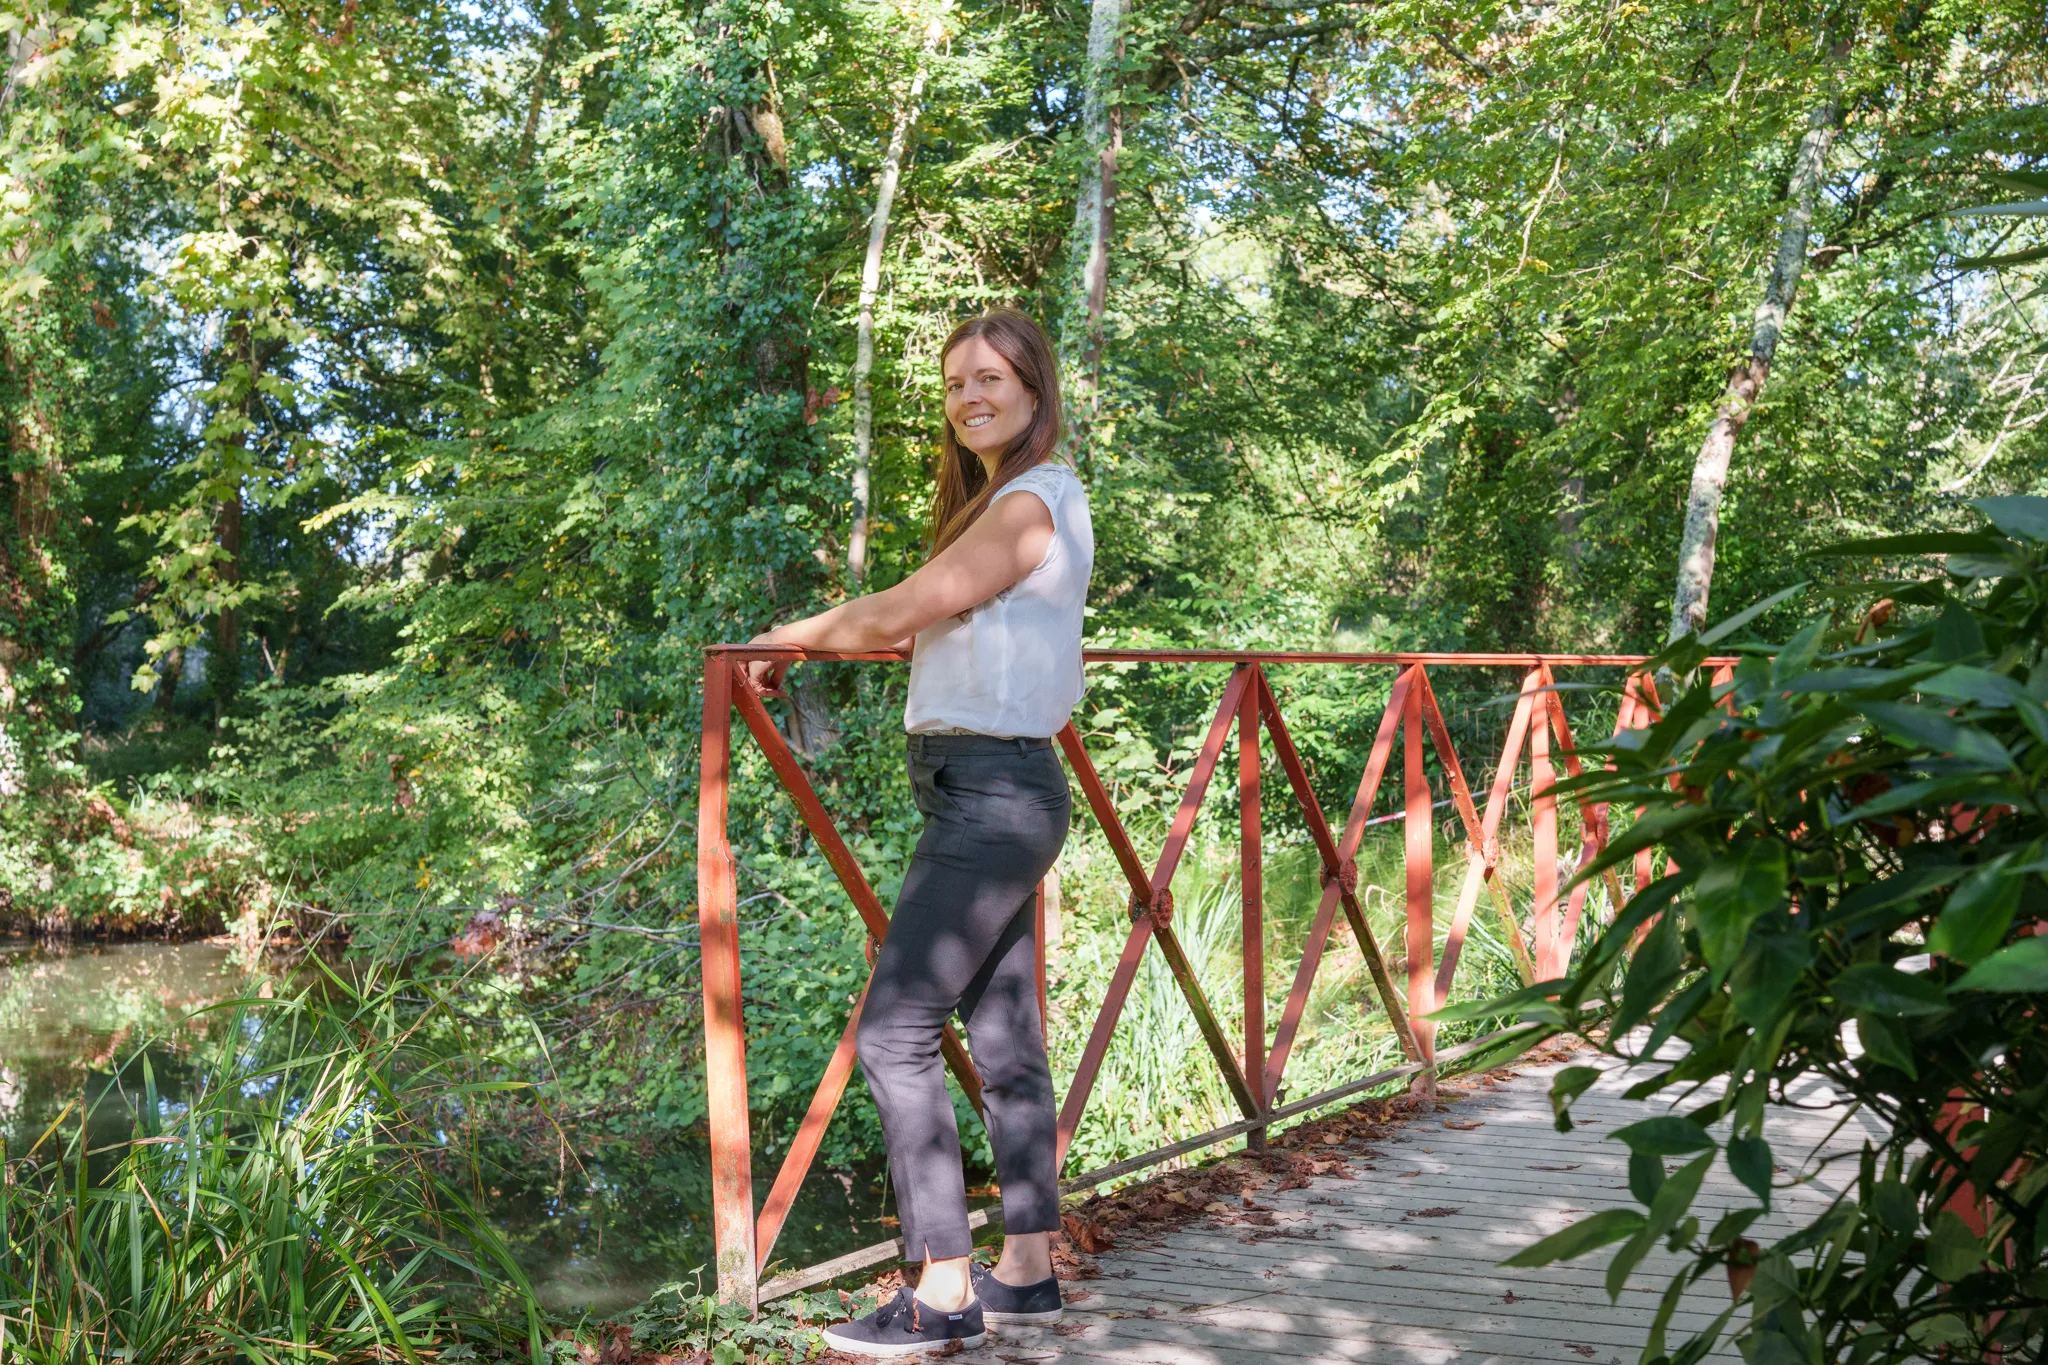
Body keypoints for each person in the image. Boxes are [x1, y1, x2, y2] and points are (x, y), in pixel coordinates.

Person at [745, 308, 1093, 1357]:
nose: (968, 397)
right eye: (953, 385)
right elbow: (949, 622)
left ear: (1033, 389)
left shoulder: (1028, 503)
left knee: (895, 1033)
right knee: (1001, 1036)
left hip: (990, 792)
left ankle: (941, 1293)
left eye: (987, 377)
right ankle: (1025, 1273)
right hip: (999, 788)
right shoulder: (1027, 501)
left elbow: (902, 610)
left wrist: (782, 638)